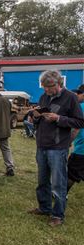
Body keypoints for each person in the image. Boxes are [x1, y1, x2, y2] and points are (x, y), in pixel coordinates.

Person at [27, 71, 84, 227]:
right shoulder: (44, 97)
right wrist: (36, 116)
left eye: (49, 87)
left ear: (59, 84)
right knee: (42, 180)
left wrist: (58, 118)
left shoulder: (71, 98)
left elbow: (80, 121)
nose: (46, 90)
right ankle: (44, 207)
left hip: (58, 147)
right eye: (44, 87)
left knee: (58, 183)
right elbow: (39, 119)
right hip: (42, 144)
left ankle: (58, 215)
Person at [67, 85, 84, 194]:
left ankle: (61, 194)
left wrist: (68, 143)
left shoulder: (80, 107)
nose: (76, 97)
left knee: (70, 174)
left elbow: (76, 128)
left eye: (78, 94)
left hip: (81, 150)